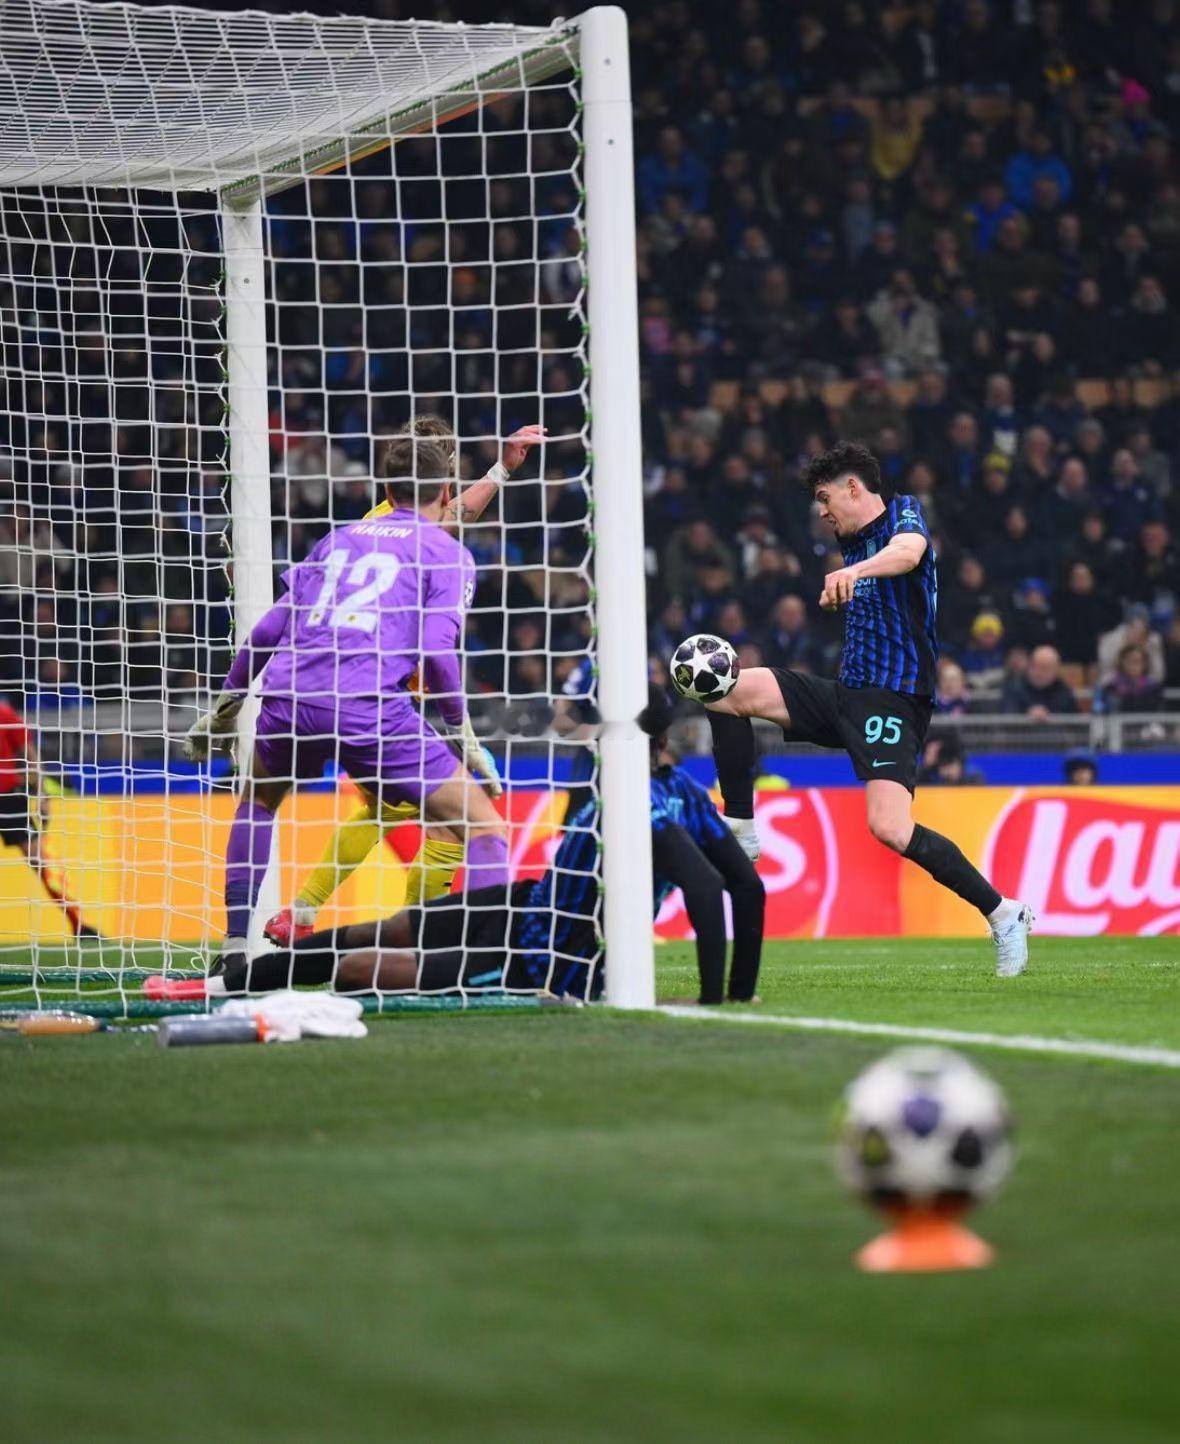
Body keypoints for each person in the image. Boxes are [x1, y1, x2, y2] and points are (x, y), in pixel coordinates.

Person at [151, 688, 765, 1007]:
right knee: (381, 929)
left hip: (542, 960)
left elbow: (712, 885)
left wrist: (717, 1000)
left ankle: (262, 988)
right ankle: (226, 986)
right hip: (527, 903)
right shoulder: (662, 789)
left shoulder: (648, 802)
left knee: (359, 969)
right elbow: (745, 885)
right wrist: (736, 992)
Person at [690, 441, 1033, 977]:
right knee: (724, 691)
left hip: (894, 700)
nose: (822, 512)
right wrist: (846, 582)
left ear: (854, 487)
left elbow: (910, 553)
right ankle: (740, 825)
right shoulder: (848, 543)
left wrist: (855, 573)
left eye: (825, 498)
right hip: (845, 693)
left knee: (890, 828)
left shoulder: (903, 514)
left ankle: (1004, 913)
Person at [184, 435, 509, 977]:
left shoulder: (338, 539)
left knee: (258, 804)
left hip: (290, 698)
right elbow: (437, 652)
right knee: (482, 825)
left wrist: (226, 705)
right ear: (445, 489)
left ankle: (236, 945)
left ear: (387, 489)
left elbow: (268, 629)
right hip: (367, 706)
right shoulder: (447, 552)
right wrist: (462, 734)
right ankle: (486, 962)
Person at [261, 416, 544, 945]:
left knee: (388, 810)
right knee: (449, 822)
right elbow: (454, 520)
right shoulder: (393, 526)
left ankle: (304, 913)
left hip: (358, 688)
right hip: (372, 693)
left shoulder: (387, 521)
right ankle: (418, 941)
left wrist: (502, 470)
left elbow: (458, 513)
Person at [0, 699, 97, 938]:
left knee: (40, 860)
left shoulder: (4, 713)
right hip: (9, 795)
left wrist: (42, 794)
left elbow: (29, 755)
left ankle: (78, 923)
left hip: (7, 797)